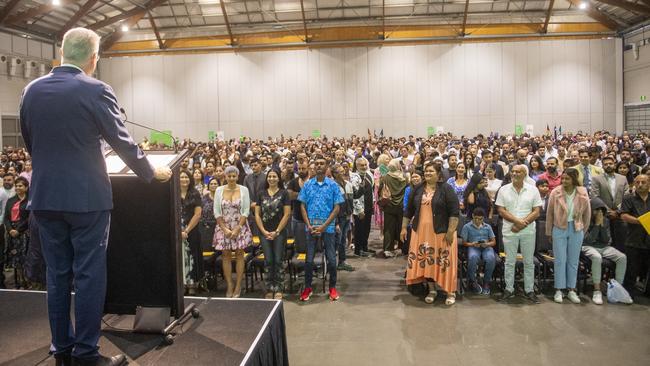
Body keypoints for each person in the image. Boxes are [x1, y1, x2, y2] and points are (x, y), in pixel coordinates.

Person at [20, 28, 172, 366]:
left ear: (61, 53)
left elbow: (30, 142)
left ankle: (62, 349)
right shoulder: (96, 89)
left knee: (57, 277)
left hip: (44, 198)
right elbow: (121, 140)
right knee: (88, 274)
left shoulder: (31, 91)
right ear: (93, 58)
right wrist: (149, 171)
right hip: (87, 199)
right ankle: (86, 353)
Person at [401, 162, 460, 305]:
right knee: (426, 262)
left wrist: (450, 231)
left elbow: (454, 212)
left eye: (431, 171)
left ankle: (450, 292)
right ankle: (432, 289)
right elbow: (408, 211)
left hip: (441, 233)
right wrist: (403, 228)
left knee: (445, 262)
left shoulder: (446, 189)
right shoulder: (418, 189)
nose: (427, 174)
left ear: (438, 174)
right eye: (426, 171)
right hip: (421, 233)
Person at [298, 154, 344, 302]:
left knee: (331, 259)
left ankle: (332, 287)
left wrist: (324, 226)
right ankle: (308, 287)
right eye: (316, 163)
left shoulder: (333, 185)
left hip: (328, 228)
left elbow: (337, 208)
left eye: (322, 163)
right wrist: (308, 225)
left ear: (326, 166)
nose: (319, 165)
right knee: (309, 260)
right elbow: (302, 206)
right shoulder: (307, 185)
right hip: (311, 228)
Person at [495, 165, 543, 304]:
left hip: (528, 231)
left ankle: (529, 290)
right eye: (513, 171)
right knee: (510, 262)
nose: (515, 173)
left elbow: (536, 211)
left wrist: (523, 223)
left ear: (524, 174)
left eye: (518, 172)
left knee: (528, 262)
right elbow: (501, 210)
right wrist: (517, 222)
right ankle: (509, 289)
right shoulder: (504, 190)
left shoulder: (533, 190)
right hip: (510, 231)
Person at [545, 168, 591, 304]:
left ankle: (571, 289)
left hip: (577, 229)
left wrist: (583, 229)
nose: (564, 181)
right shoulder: (555, 192)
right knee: (560, 260)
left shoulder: (583, 192)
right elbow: (549, 214)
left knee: (573, 261)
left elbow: (587, 214)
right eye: (563, 178)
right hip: (559, 228)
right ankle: (559, 289)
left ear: (574, 179)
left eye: (567, 178)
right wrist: (549, 231)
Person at [213, 166, 253, 298]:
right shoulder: (219, 190)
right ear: (225, 177)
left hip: (240, 226)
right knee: (225, 255)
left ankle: (238, 285)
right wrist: (224, 229)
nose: (231, 178)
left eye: (233, 176)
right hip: (223, 226)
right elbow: (217, 212)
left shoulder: (244, 190)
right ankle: (230, 284)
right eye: (229, 176)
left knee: (240, 254)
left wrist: (237, 228)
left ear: (237, 176)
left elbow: (246, 210)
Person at [582, 197, 629, 305]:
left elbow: (606, 240)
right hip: (587, 246)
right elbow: (588, 240)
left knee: (622, 257)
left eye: (601, 210)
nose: (599, 213)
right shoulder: (585, 219)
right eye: (596, 210)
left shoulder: (606, 220)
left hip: (604, 246)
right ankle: (597, 290)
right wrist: (597, 225)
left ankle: (618, 289)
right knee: (597, 257)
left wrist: (602, 225)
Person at [254, 169, 291, 299]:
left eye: (274, 176)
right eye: (269, 176)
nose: (271, 178)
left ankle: (279, 287)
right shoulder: (261, 194)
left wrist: (276, 232)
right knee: (268, 260)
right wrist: (263, 231)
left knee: (278, 260)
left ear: (278, 178)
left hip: (279, 232)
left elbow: (287, 214)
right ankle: (270, 288)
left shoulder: (284, 193)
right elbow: (257, 215)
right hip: (264, 232)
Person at [621, 174, 650, 296]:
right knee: (632, 269)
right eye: (637, 182)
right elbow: (623, 215)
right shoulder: (628, 198)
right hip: (633, 239)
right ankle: (628, 293)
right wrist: (641, 221)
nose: (640, 185)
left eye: (643, 182)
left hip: (648, 239)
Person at [460, 207, 496, 295]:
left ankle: (486, 282)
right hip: (473, 247)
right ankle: (473, 281)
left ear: (483, 218)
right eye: (476, 218)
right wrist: (472, 244)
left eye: (480, 219)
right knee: (473, 257)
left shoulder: (488, 227)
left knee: (491, 258)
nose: (478, 221)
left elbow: (493, 242)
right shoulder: (467, 227)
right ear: (472, 216)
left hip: (486, 247)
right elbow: (464, 242)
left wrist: (487, 244)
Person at [179, 170, 203, 295]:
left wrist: (186, 230)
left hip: (191, 230)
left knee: (192, 256)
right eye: (181, 177)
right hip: (177, 231)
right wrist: (179, 231)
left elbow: (198, 214)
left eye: (186, 177)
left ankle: (192, 283)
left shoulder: (195, 193)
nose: (184, 179)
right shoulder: (173, 193)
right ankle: (181, 283)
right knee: (180, 257)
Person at [3, 176, 30, 289]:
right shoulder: (11, 200)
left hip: (24, 232)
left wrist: (18, 230)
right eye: (17, 186)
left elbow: (29, 218)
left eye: (20, 186)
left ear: (26, 187)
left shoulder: (29, 200)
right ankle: (17, 282)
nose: (18, 188)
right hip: (12, 232)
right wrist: (10, 230)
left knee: (24, 257)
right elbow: (6, 218)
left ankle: (27, 282)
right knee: (14, 257)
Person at [379, 159, 407, 257]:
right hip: (401, 206)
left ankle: (387, 249)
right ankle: (402, 247)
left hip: (389, 205)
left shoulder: (385, 177)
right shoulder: (404, 177)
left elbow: (380, 190)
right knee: (401, 227)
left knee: (388, 229)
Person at [350, 157, 374, 257]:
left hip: (368, 206)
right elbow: (354, 196)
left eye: (365, 165)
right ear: (357, 166)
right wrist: (359, 210)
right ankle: (358, 250)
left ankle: (365, 247)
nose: (364, 167)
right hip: (360, 209)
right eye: (361, 165)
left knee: (366, 228)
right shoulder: (354, 177)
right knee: (359, 230)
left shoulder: (369, 174)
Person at [332, 164, 355, 271]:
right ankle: (333, 263)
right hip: (339, 218)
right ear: (335, 174)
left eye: (344, 170)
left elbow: (351, 199)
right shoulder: (332, 186)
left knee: (343, 240)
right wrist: (335, 222)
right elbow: (332, 206)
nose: (344, 172)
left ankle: (342, 261)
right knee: (337, 241)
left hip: (347, 216)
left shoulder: (348, 184)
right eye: (341, 171)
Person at [0, 173, 16, 288]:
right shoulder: (1, 191)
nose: (7, 182)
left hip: (11, 226)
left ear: (13, 180)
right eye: (5, 180)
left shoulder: (17, 192)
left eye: (9, 180)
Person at [200, 177, 219, 250]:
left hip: (219, 226)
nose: (213, 185)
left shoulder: (223, 198)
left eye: (215, 184)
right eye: (211, 184)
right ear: (208, 186)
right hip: (207, 226)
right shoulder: (203, 198)